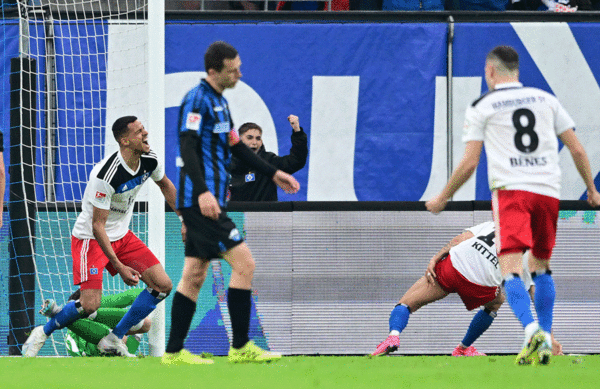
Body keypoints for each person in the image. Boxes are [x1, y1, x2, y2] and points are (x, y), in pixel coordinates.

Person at [425, 46, 600, 365]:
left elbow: (469, 163)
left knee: (510, 268)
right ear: (516, 72)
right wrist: (591, 188)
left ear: (490, 72)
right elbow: (576, 148)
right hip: (547, 191)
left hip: (512, 193)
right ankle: (545, 338)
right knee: (542, 266)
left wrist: (443, 197)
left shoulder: (482, 105)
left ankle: (531, 330)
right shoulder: (546, 99)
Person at [162, 41, 300, 365]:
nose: (239, 72)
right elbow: (187, 146)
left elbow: (237, 147)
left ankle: (172, 353)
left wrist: (274, 172)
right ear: (214, 71)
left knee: (194, 274)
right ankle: (240, 347)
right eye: (233, 68)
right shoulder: (197, 99)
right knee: (245, 264)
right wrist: (202, 192)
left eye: (239, 66)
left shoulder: (220, 103)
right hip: (202, 202)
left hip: (205, 200)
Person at [23, 116, 180, 357]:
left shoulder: (150, 159)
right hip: (91, 239)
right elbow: (98, 226)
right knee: (89, 305)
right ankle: (42, 332)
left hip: (121, 236)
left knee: (162, 286)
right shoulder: (105, 175)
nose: (146, 134)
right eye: (139, 132)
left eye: (144, 129)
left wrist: (184, 219)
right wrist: (119, 265)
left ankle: (115, 337)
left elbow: (166, 185)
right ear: (125, 140)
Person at [371, 221, 562, 361]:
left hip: (453, 266)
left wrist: (436, 257)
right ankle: (463, 348)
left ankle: (393, 336)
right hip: (479, 286)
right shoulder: (531, 253)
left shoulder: (497, 224)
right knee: (496, 301)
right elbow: (536, 294)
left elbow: (460, 239)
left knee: (406, 303)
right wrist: (550, 337)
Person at [40, 289, 151, 357]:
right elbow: (122, 298)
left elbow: (122, 299)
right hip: (99, 352)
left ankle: (58, 313)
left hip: (90, 362)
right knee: (143, 323)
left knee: (142, 323)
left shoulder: (72, 333)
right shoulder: (92, 305)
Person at [229, 115, 308, 202]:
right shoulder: (227, 164)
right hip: (237, 215)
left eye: (258, 138)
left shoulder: (269, 161)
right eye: (249, 138)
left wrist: (297, 131)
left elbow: (297, 160)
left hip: (265, 214)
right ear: (239, 140)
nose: (254, 142)